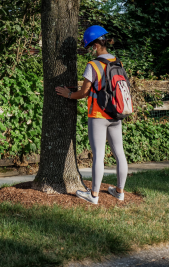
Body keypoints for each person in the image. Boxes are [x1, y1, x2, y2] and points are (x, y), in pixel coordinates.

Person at [55, 25, 128, 205]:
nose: (89, 51)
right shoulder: (117, 62)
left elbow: (84, 93)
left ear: (95, 46)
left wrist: (69, 94)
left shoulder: (93, 65)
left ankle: (93, 195)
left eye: (89, 47)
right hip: (116, 113)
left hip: (98, 115)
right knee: (119, 153)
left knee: (99, 155)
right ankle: (119, 192)